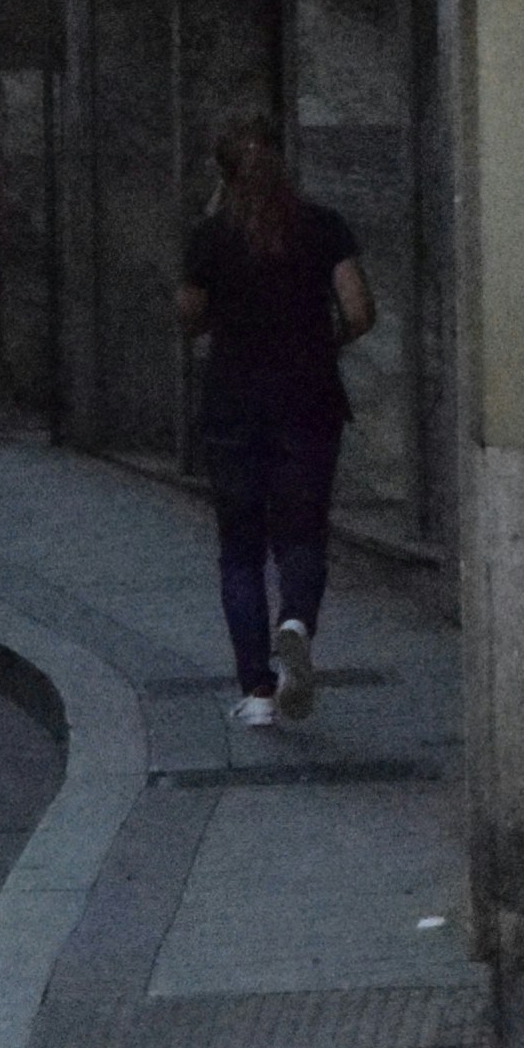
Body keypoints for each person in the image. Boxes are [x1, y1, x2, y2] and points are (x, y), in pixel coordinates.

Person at [177, 119, 375, 731]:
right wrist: (326, 343)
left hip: (234, 406)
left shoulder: (212, 237)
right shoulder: (322, 226)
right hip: (310, 400)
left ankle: (258, 692)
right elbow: (360, 310)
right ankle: (295, 623)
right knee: (303, 535)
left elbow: (187, 317)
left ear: (224, 172)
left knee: (240, 551)